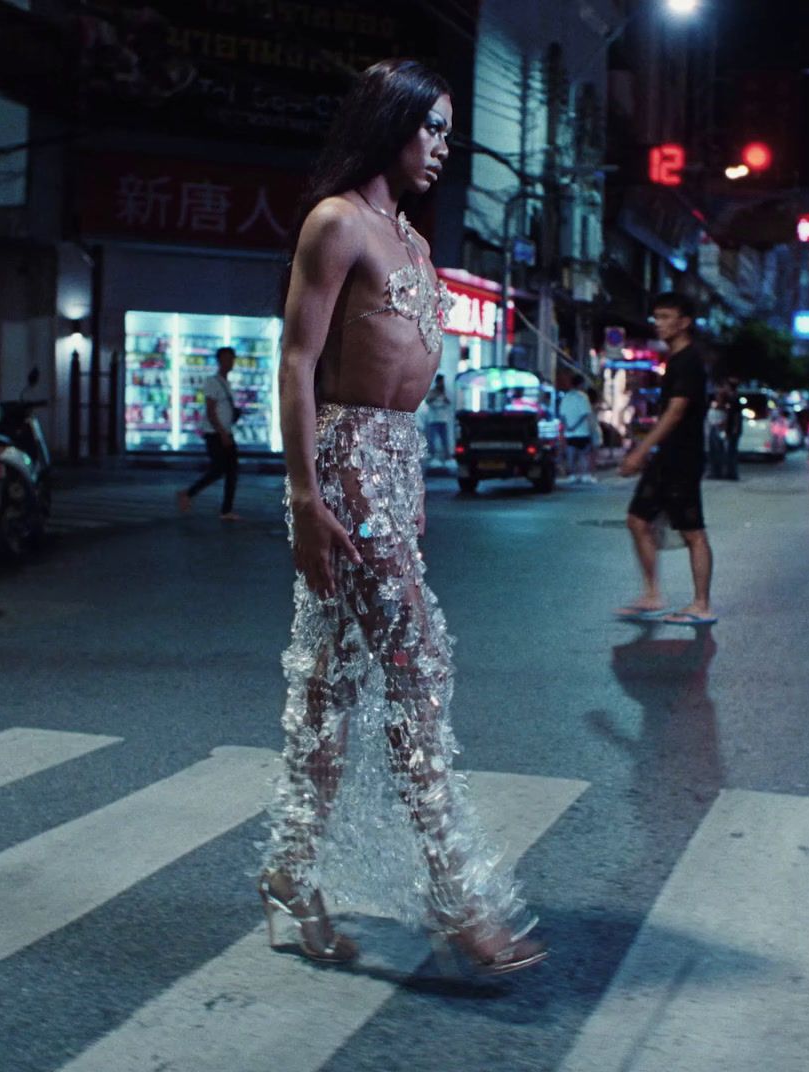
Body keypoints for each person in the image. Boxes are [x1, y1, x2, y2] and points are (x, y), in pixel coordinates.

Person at [258, 58, 546, 975]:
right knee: (417, 666)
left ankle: (290, 874)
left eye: (450, 133)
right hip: (342, 466)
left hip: (392, 467)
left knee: (331, 693)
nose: (444, 148)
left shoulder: (413, 242)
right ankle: (460, 900)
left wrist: (409, 481)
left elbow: (409, 390)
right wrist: (306, 495)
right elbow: (298, 361)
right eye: (433, 129)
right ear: (391, 123)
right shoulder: (337, 222)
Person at [617, 294, 717, 626]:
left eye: (665, 317)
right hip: (667, 458)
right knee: (638, 520)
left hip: (682, 459)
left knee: (692, 532)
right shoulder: (674, 360)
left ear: (684, 321)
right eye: (656, 317)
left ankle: (701, 604)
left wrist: (640, 452)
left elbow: (676, 413)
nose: (658, 323)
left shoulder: (688, 361)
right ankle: (652, 594)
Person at [177, 346, 241, 519]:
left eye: (232, 358)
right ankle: (188, 493)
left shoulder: (226, 382)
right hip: (215, 433)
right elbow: (211, 411)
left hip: (225, 432)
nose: (230, 362)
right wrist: (222, 433)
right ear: (219, 361)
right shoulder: (212, 382)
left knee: (231, 471)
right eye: (227, 358)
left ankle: (226, 510)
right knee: (220, 469)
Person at [559, 372, 596, 483]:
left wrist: (568, 427)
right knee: (583, 454)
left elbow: (562, 415)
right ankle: (584, 475)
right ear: (581, 384)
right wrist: (588, 429)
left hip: (569, 432)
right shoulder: (583, 397)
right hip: (582, 431)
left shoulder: (566, 397)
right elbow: (585, 414)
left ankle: (572, 475)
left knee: (571, 454)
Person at [423, 373, 453, 465]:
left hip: (443, 420)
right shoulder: (433, 392)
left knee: (445, 439)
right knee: (432, 439)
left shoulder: (445, 392)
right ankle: (432, 457)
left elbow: (449, 402)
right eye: (441, 381)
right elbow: (428, 401)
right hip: (433, 420)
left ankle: (447, 458)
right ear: (438, 382)